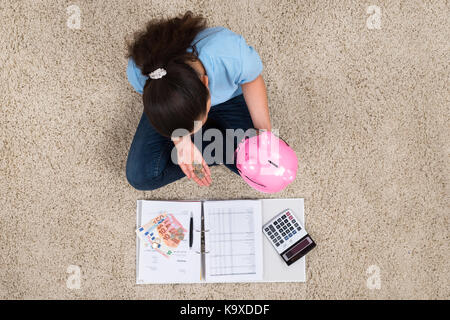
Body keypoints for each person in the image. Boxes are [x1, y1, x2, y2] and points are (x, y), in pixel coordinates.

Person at [126, 11, 271, 190]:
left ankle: (216, 144)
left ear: (205, 81)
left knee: (264, 169)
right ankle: (215, 144)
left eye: (197, 124)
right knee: (141, 177)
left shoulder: (228, 52)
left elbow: (252, 79)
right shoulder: (140, 72)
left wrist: (263, 133)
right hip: (171, 103)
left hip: (230, 98)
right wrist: (181, 142)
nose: (196, 130)